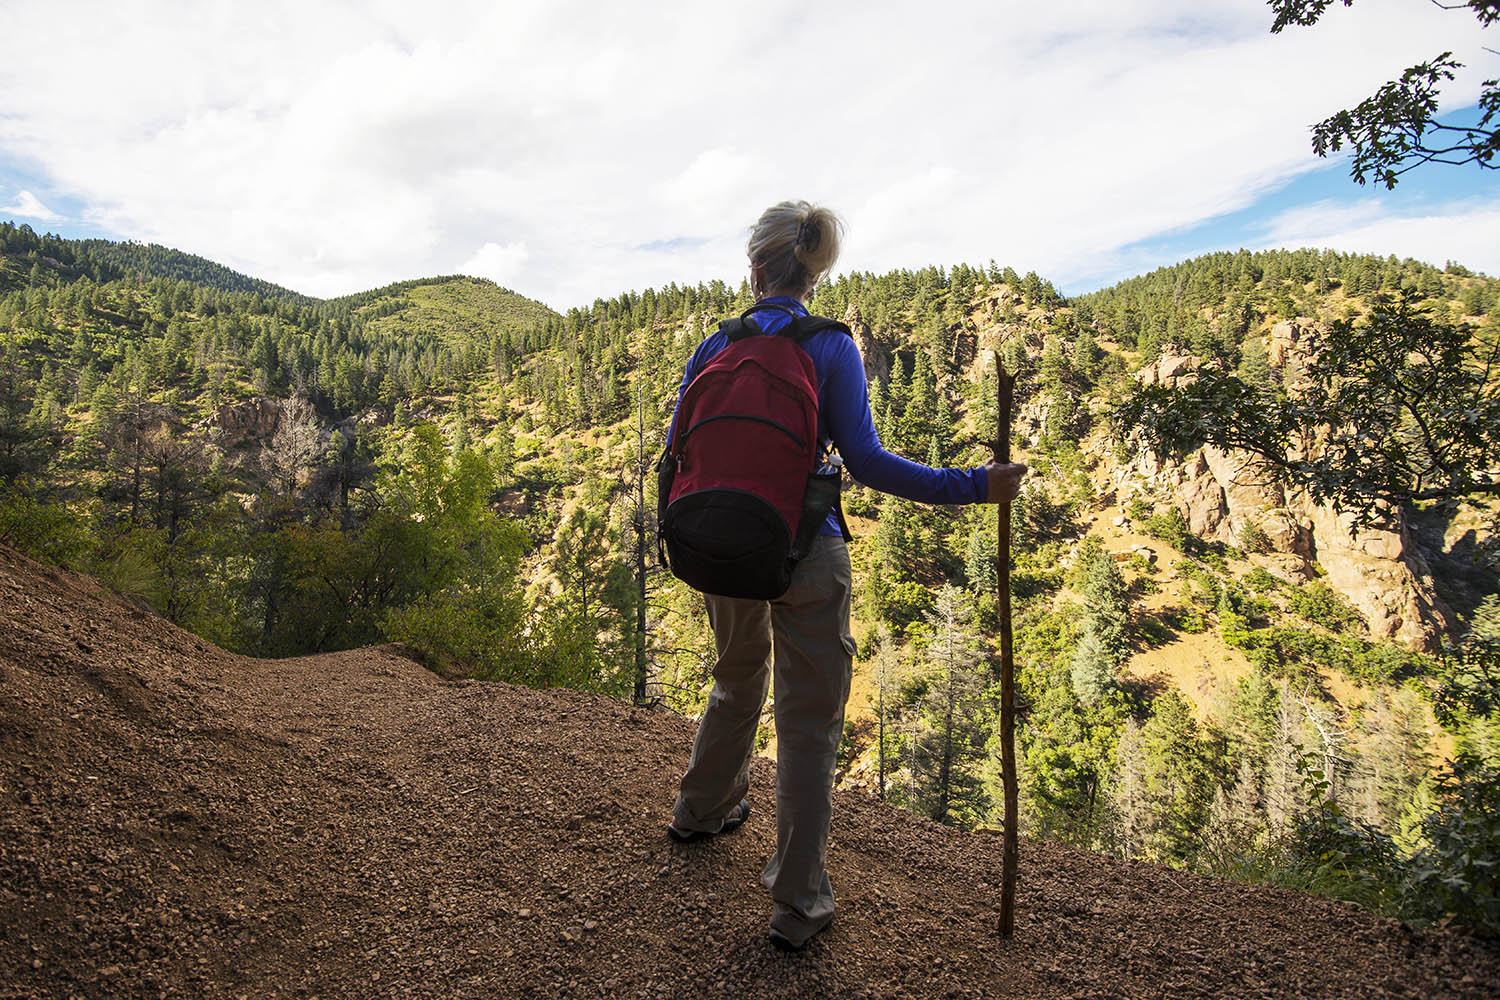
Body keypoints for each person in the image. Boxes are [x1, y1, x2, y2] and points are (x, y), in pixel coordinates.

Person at [666, 200, 1026, 952]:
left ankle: (698, 814)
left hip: (720, 543)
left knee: (734, 679)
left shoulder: (714, 343)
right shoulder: (831, 346)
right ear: (813, 268)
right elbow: (866, 463)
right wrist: (975, 485)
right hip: (806, 548)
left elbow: (676, 454)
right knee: (807, 723)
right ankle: (797, 906)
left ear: (756, 265)